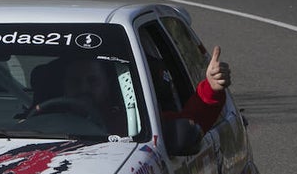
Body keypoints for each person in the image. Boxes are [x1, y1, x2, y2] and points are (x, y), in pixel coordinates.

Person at [54, 47, 231, 135]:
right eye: (75, 82)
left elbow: (190, 124)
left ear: (107, 85)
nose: (84, 89)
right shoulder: (43, 122)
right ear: (64, 85)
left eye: (93, 81)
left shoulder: (134, 122)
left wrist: (212, 88)